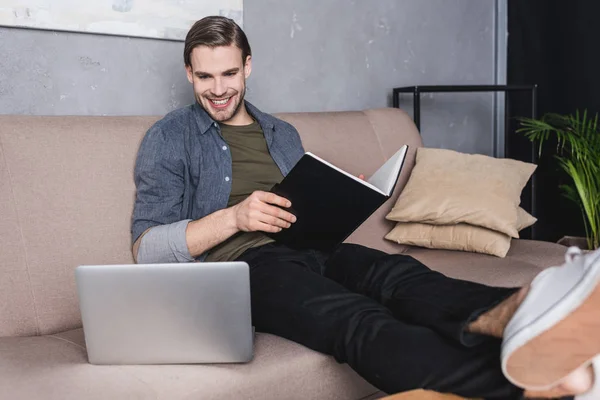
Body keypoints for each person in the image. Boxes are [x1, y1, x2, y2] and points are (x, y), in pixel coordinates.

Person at [131, 16, 599, 400]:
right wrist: (234, 217)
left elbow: (300, 205)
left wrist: (340, 195)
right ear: (189, 74)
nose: (218, 89)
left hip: (314, 248)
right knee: (354, 320)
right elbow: (147, 249)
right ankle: (528, 387)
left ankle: (528, 309)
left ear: (248, 67)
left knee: (408, 279)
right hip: (243, 267)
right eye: (205, 76)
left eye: (228, 74)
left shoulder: (281, 134)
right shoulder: (169, 138)